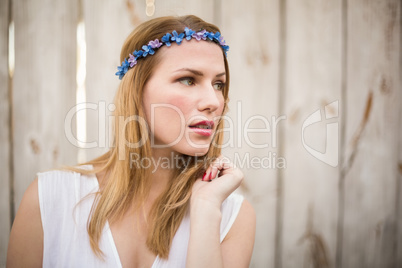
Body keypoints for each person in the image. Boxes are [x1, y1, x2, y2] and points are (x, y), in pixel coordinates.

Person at [7, 15, 256, 267]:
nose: (213, 101)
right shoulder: (50, 198)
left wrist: (205, 209)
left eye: (218, 84)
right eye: (188, 80)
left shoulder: (231, 215)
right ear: (137, 91)